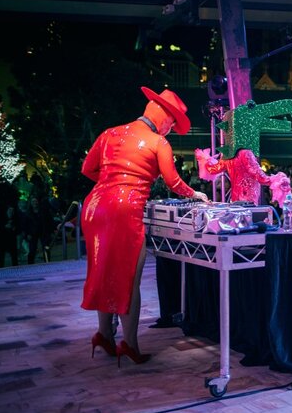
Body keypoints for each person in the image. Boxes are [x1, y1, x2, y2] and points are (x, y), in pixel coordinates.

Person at [81, 87, 207, 365]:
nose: (171, 130)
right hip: (124, 210)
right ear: (164, 118)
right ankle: (130, 344)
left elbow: (88, 170)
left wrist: (110, 185)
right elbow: (173, 182)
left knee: (103, 271)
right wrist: (195, 194)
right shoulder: (158, 142)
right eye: (172, 124)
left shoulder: (109, 132)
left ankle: (104, 334)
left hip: (94, 207)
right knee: (129, 280)